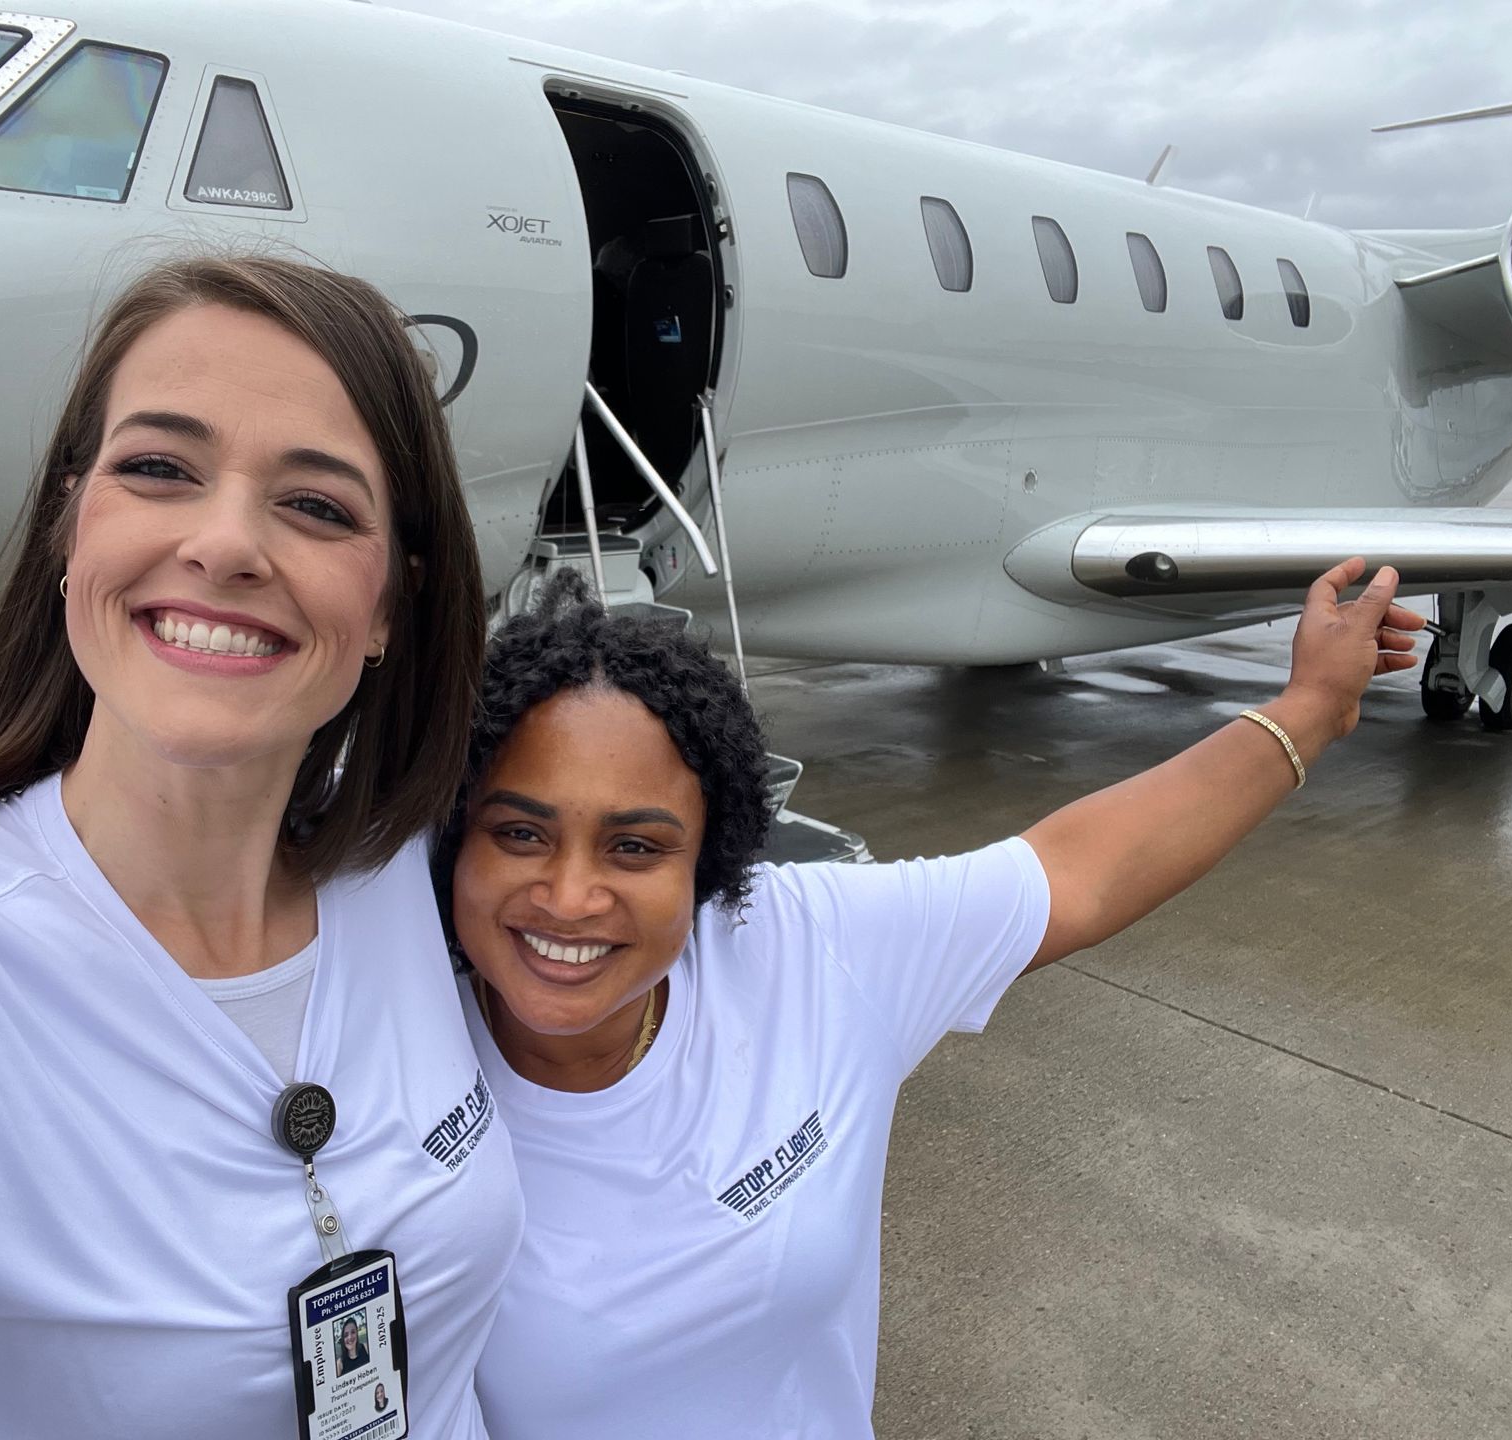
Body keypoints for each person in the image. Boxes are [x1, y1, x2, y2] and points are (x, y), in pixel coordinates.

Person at [0, 257, 522, 1438]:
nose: (228, 544)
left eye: (320, 505)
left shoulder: (412, 879)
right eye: (157, 469)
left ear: (391, 602)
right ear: (67, 528)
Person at [436, 563, 1425, 1438]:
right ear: (453, 840)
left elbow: (1074, 874)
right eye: (519, 834)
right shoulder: (383, 1052)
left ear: (710, 865)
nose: (569, 895)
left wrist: (1309, 708)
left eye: (636, 846)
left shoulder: (801, 947)